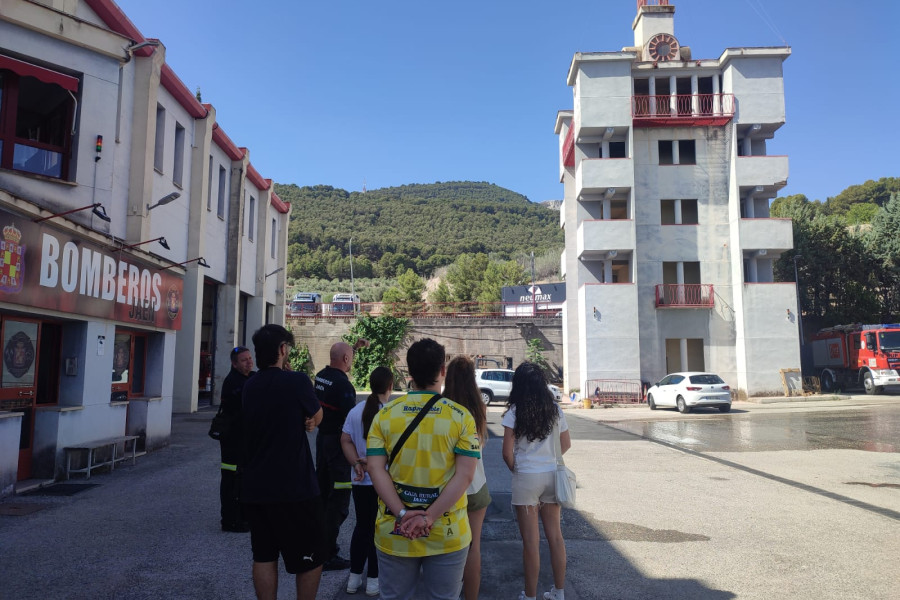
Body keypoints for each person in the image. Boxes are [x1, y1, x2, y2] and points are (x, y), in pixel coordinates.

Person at [367, 338, 480, 600]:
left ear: (409, 373)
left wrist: (404, 513)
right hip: (447, 532)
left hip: (394, 528)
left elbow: (375, 469)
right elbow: (465, 475)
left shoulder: (384, 415)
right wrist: (429, 518)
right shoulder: (461, 416)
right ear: (442, 371)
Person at [240, 324, 325, 600]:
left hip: (256, 487)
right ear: (282, 350)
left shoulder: (249, 386)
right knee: (310, 557)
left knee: (264, 555)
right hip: (295, 488)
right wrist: (310, 420)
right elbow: (318, 414)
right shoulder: (297, 381)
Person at [501, 362, 571, 600]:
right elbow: (566, 444)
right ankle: (559, 593)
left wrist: (517, 471)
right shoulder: (555, 409)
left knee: (531, 542)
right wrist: (549, 458)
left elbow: (507, 453)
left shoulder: (514, 412)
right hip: (552, 476)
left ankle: (530, 596)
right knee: (556, 537)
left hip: (527, 478)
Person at [313, 338, 369, 571]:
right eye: (351, 358)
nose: (352, 362)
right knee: (338, 501)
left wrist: (353, 347)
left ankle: (319, 546)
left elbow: (341, 356)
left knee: (324, 494)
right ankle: (326, 554)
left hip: (322, 441)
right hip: (337, 447)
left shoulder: (321, 376)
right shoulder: (344, 386)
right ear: (346, 359)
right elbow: (351, 423)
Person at [340, 366, 393, 596]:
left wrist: (356, 464)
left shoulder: (356, 411)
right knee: (379, 529)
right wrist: (372, 463)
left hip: (360, 481)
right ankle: (373, 579)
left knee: (362, 527)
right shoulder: (391, 414)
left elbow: (345, 440)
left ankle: (353, 579)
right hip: (384, 482)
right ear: (390, 387)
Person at [443, 356, 491, 600]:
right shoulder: (479, 406)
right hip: (476, 485)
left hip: (447, 489)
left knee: (445, 552)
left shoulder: (442, 406)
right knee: (474, 549)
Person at [219, 345, 255, 533]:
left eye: (250, 358)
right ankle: (230, 520)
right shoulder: (234, 382)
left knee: (242, 479)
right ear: (234, 364)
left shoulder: (249, 377)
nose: (249, 362)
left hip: (243, 439)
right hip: (233, 440)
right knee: (232, 480)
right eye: (244, 360)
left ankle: (242, 515)